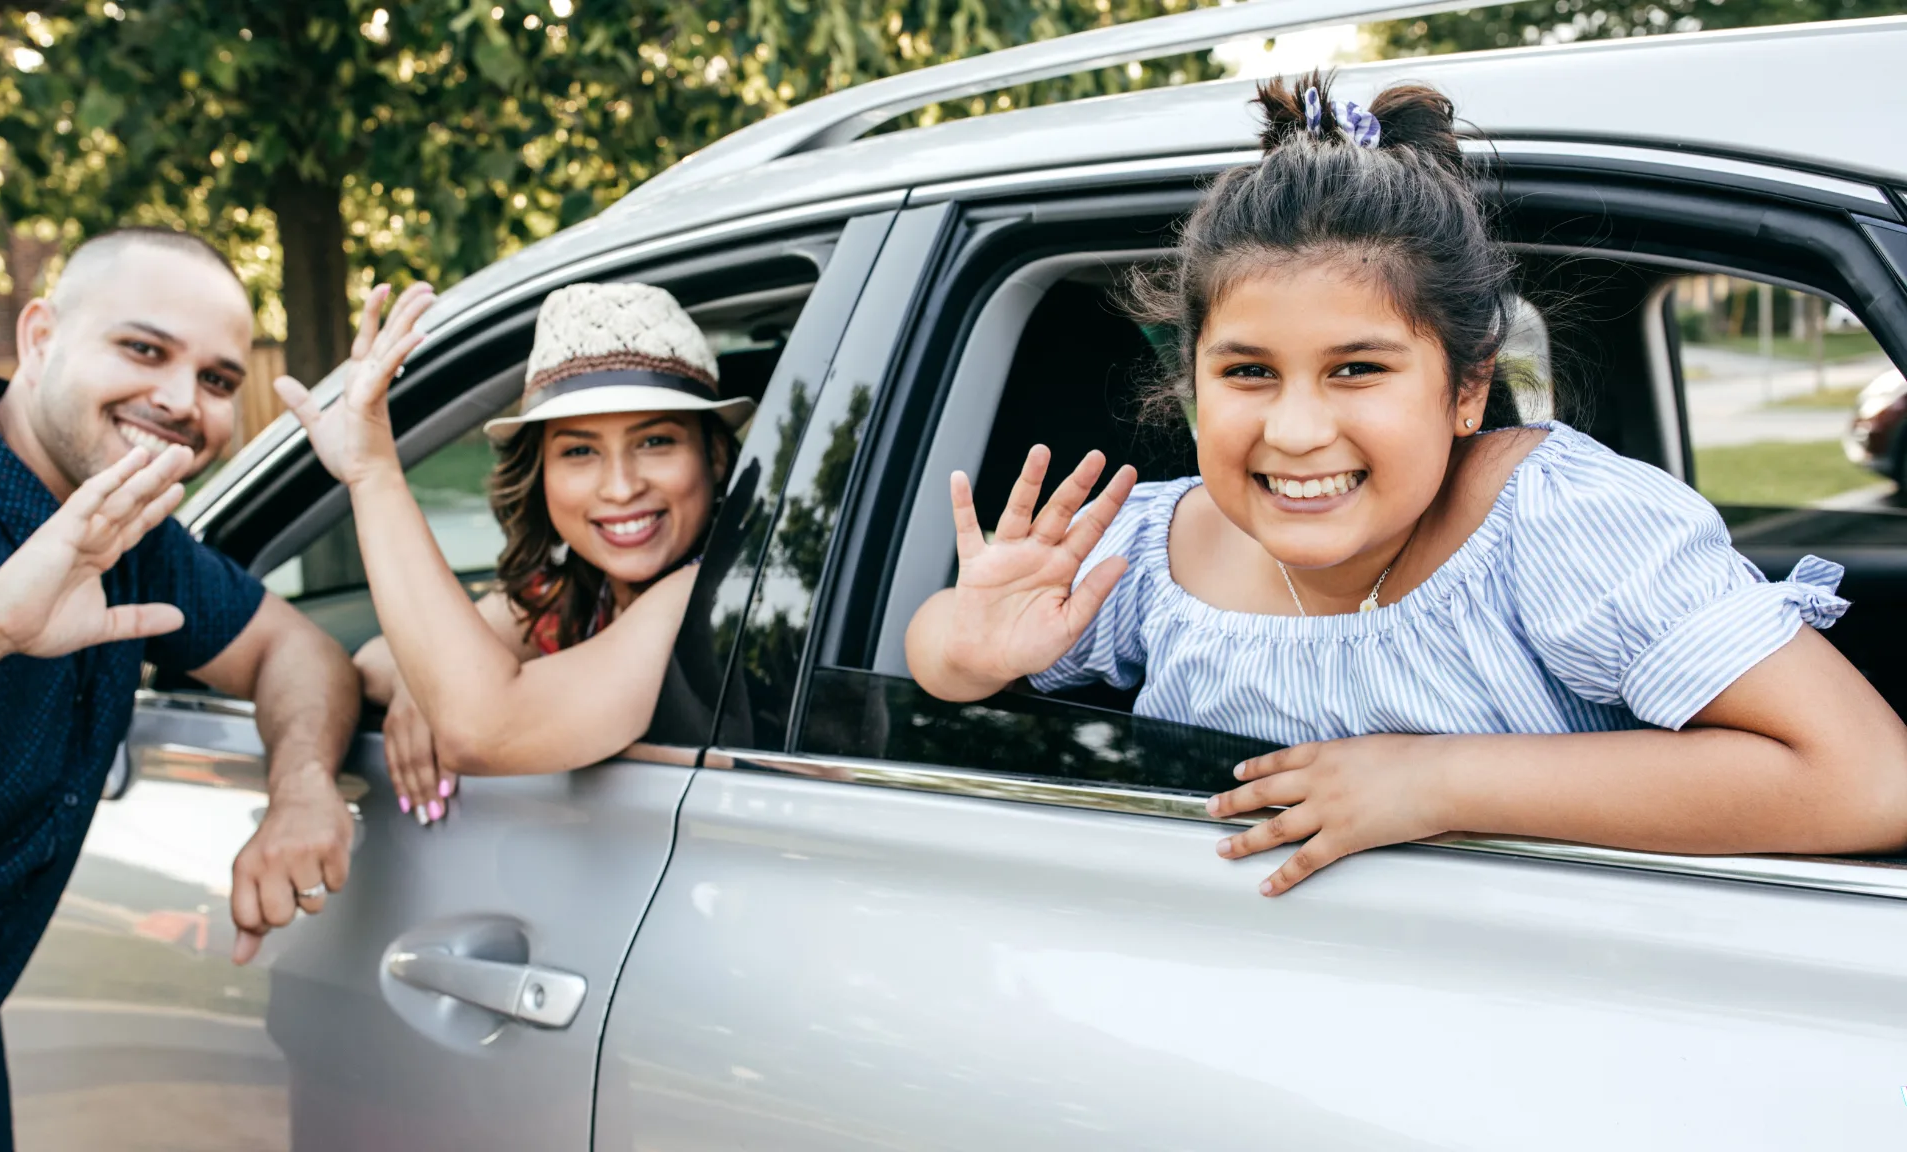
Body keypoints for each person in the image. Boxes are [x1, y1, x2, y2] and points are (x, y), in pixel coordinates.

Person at [905, 74, 1907, 896]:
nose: (1295, 431)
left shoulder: (1558, 526)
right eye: (1247, 371)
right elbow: (941, 666)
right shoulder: (1148, 549)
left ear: (1466, 388)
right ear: (1192, 384)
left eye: (1356, 369)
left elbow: (1866, 779)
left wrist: (1433, 781)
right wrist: (961, 642)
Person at [0, 228, 361, 1152]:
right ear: (41, 335)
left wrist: (299, 788)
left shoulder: (132, 536)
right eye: (143, 350)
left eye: (216, 379)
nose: (181, 400)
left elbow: (296, 651)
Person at [278, 281, 745, 814]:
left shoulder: (706, 594)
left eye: (655, 441)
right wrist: (424, 682)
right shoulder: (576, 594)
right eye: (579, 451)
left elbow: (482, 727)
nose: (620, 486)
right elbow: (373, 660)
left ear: (714, 457)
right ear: (540, 472)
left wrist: (372, 474)